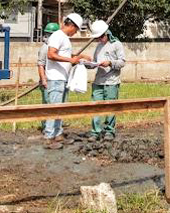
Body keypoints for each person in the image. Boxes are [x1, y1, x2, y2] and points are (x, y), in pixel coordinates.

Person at [44, 13, 90, 148]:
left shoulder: (63, 38)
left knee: (60, 108)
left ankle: (58, 134)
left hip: (62, 78)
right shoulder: (57, 36)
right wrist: (71, 60)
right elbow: (51, 54)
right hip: (55, 78)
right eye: (76, 30)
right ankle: (49, 137)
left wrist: (79, 57)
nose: (75, 33)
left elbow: (62, 54)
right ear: (72, 25)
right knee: (54, 108)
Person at [89, 20, 126, 140]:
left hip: (111, 82)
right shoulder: (98, 46)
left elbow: (122, 62)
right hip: (98, 81)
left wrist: (110, 63)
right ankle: (96, 132)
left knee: (110, 106)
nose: (99, 40)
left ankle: (110, 131)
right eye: (97, 38)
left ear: (106, 34)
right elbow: (95, 61)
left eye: (100, 37)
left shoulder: (117, 44)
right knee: (95, 107)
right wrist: (88, 64)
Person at [37, 22, 59, 129]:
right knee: (47, 105)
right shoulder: (45, 48)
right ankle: (46, 127)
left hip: (55, 80)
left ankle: (53, 127)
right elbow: (41, 65)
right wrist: (44, 80)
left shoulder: (54, 47)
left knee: (54, 105)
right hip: (47, 81)